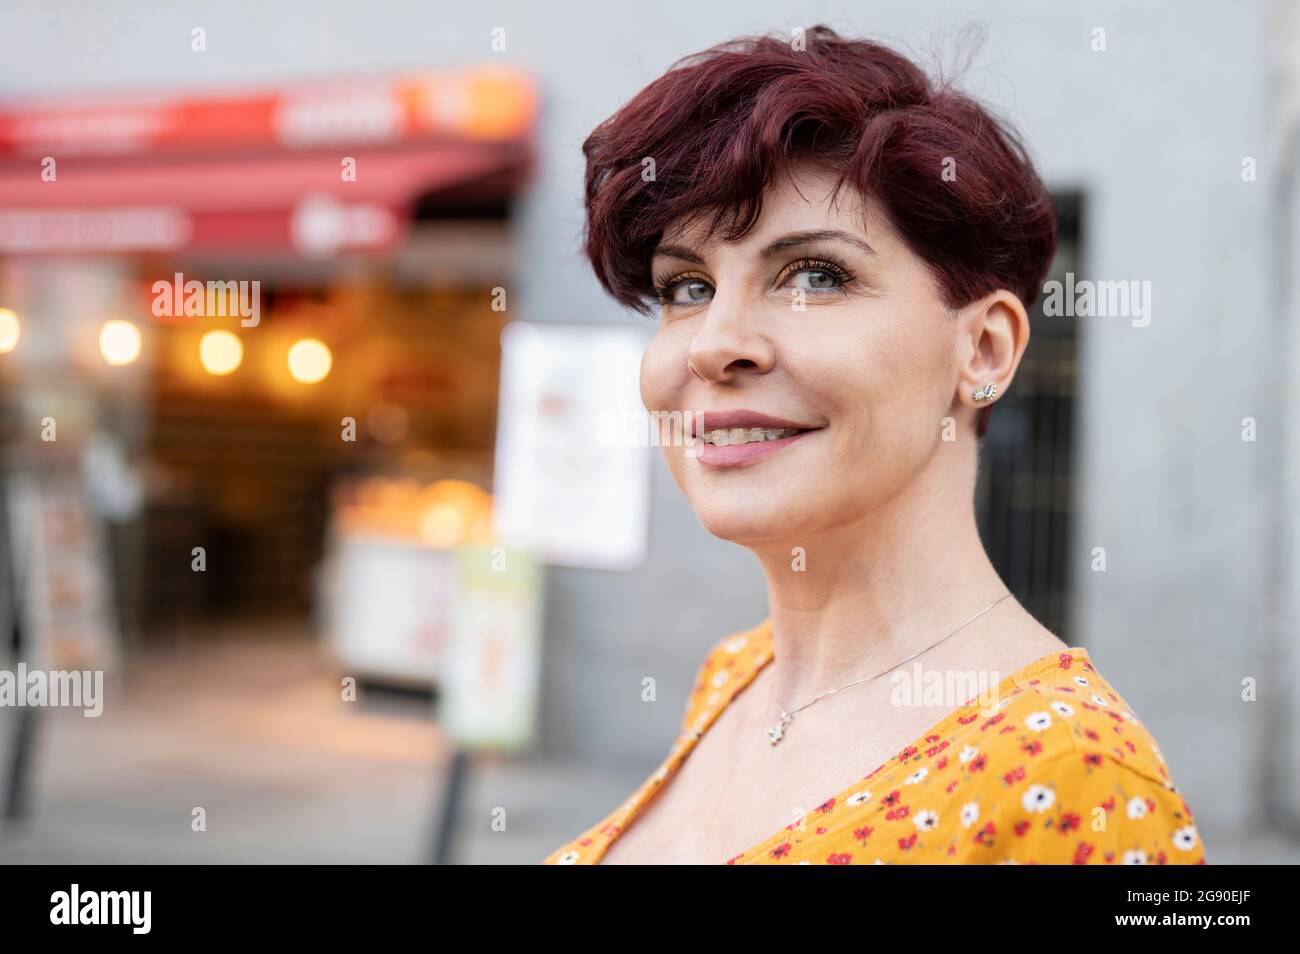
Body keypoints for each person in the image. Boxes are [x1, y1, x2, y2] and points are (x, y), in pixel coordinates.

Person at [542, 25, 1205, 865]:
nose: (715, 343)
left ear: (985, 350)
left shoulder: (1080, 781)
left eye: (817, 275)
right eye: (688, 286)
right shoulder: (740, 673)